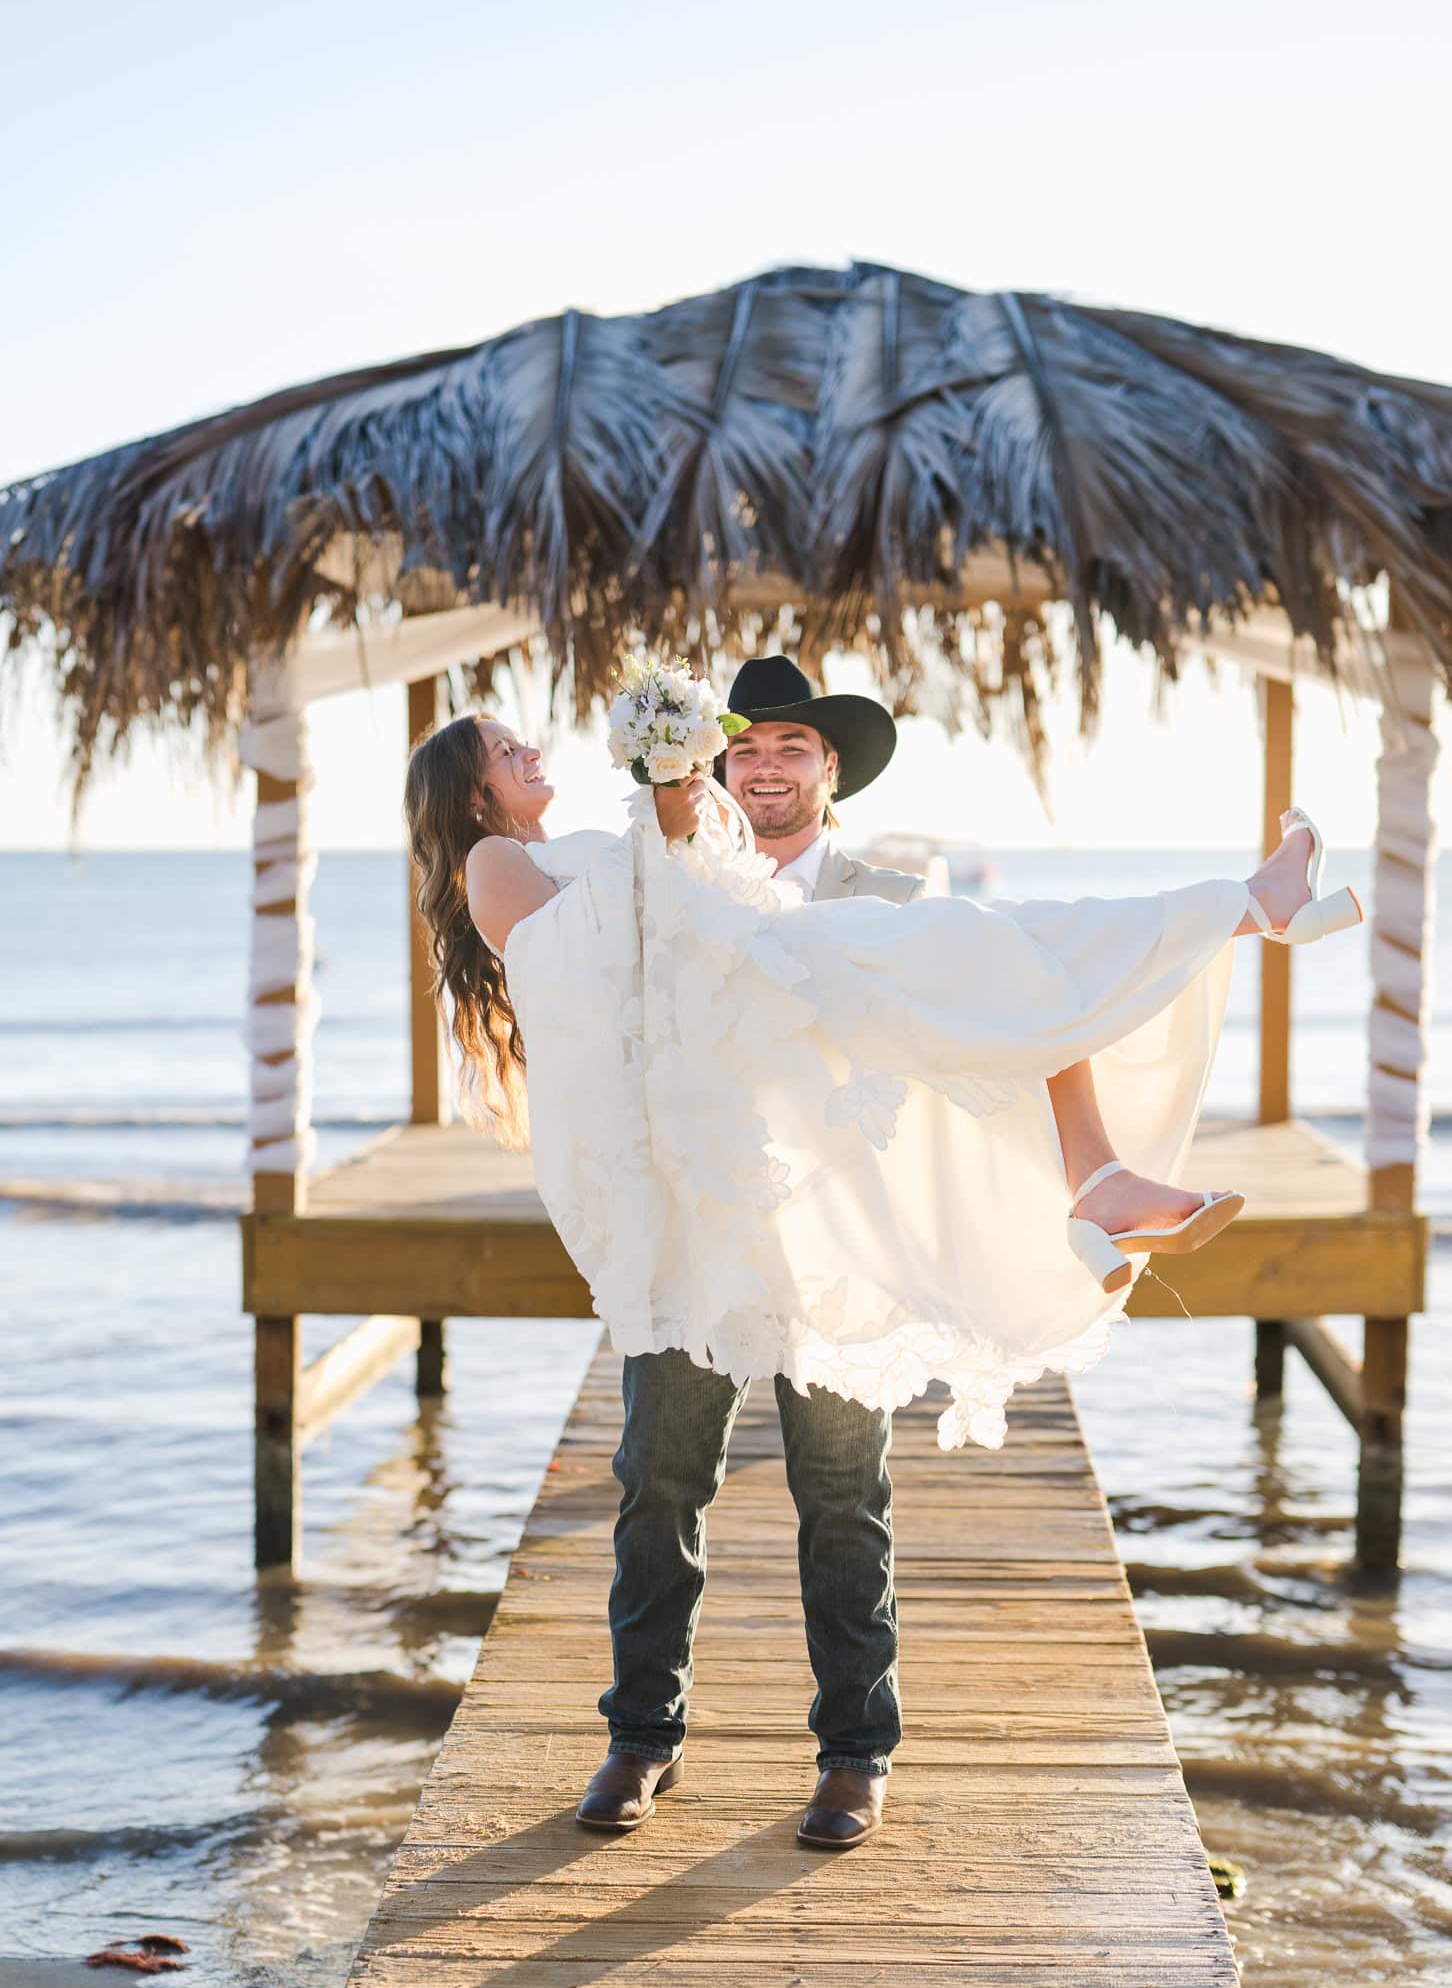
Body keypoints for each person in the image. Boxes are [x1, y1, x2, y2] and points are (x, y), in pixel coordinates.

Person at [404, 656, 1359, 1850]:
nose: (763, 766)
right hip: (697, 1221)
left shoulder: (882, 892)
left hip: (834, 1232)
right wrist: (667, 799)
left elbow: (977, 1021)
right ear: (715, 762)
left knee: (845, 1496)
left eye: (789, 748)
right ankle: (641, 1738)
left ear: (829, 768)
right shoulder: (661, 851)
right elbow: (608, 978)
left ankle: (856, 1755)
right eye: (743, 747)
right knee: (657, 1482)